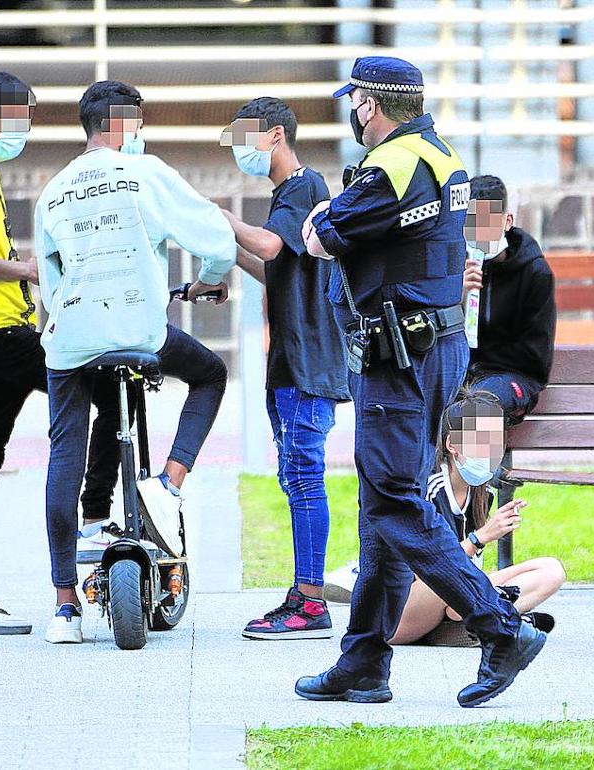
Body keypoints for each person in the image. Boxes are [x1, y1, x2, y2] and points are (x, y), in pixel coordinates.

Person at [297, 56, 547, 708]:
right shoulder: (444, 158)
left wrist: (322, 211)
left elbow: (320, 238)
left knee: (394, 505)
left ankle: (499, 627)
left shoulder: (390, 167)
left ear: (369, 106)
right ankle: (364, 662)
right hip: (435, 353)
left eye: (353, 101)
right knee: (384, 507)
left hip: (395, 359)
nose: (351, 112)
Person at [34, 80, 236, 643]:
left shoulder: (53, 190)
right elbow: (217, 240)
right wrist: (208, 284)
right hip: (138, 333)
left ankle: (65, 607)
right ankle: (168, 483)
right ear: (128, 123)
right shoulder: (145, 174)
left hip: (71, 340)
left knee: (64, 452)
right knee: (210, 374)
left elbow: (49, 282)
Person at [0, 72, 121, 636]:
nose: (25, 128)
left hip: (1, 329)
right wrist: (27, 269)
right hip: (0, 335)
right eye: (18, 118)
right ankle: (93, 518)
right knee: (108, 387)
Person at [217, 98, 349, 641]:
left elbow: (270, 243)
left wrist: (223, 219)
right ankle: (305, 594)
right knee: (296, 475)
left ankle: (310, 601)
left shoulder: (302, 186)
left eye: (243, 136)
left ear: (274, 135)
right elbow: (275, 267)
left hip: (308, 360)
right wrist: (226, 246)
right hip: (295, 360)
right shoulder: (290, 193)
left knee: (303, 475)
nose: (237, 148)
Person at [389, 390, 564, 646]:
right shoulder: (428, 489)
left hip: (452, 601)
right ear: (452, 445)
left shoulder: (482, 493)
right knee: (456, 590)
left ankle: (480, 624)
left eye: (496, 441)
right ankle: (501, 619)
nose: (491, 451)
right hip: (404, 611)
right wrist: (480, 538)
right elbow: (426, 573)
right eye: (481, 441)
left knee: (551, 570)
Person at [460, 174, 556, 424]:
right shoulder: (455, 266)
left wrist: (483, 368)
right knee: (420, 399)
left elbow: (535, 356)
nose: (479, 233)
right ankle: (442, 464)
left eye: (487, 223)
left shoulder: (535, 273)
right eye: (471, 223)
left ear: (507, 221)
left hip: (514, 376)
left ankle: (484, 465)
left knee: (479, 405)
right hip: (462, 370)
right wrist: (456, 298)